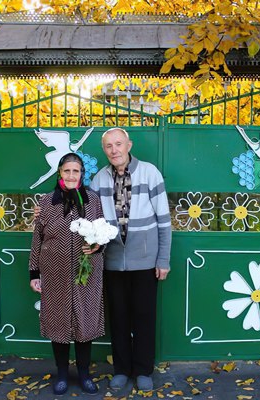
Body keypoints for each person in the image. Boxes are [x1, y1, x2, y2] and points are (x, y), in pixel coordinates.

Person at [89, 127, 171, 391]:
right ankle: (122, 370)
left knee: (144, 316)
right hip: (112, 261)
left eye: (118, 144)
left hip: (146, 260)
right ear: (104, 150)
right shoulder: (99, 179)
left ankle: (144, 370)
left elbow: (164, 221)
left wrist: (163, 259)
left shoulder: (149, 172)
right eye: (108, 146)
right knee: (119, 317)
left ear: (129, 145)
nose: (114, 150)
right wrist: (46, 209)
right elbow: (88, 215)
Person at [29, 152, 105, 396]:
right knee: (58, 322)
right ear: (60, 173)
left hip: (87, 271)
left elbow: (102, 231)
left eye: (76, 171)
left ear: (82, 174)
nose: (72, 175)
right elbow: (37, 239)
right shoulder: (46, 201)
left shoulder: (93, 200)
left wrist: (98, 246)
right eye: (67, 170)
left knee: (85, 321)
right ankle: (62, 374)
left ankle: (84, 374)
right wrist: (34, 273)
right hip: (55, 271)